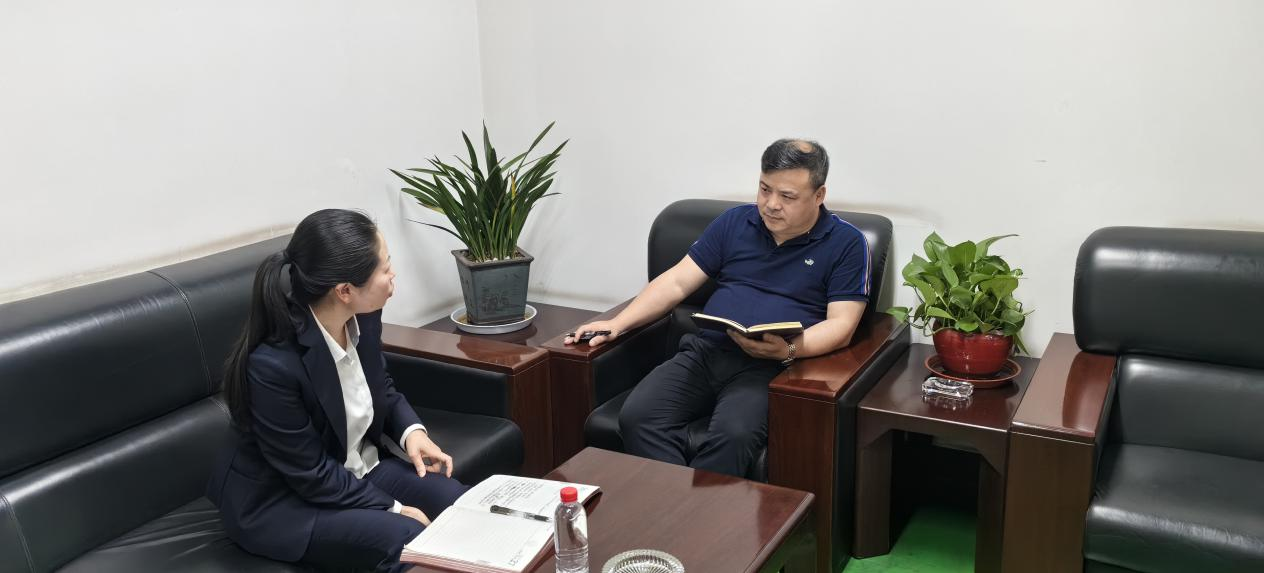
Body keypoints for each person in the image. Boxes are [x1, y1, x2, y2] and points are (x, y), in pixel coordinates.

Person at [566, 139, 869, 478]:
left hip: (771, 367)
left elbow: (842, 325)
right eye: (764, 189)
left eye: (787, 196)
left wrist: (787, 350)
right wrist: (618, 322)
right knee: (639, 415)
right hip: (707, 351)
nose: (771, 205)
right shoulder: (735, 222)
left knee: (734, 436)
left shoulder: (847, 243)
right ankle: (678, 505)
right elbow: (677, 282)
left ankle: (696, 510)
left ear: (819, 195)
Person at [208, 209, 467, 572]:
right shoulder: (272, 365)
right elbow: (311, 474)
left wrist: (413, 433)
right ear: (345, 291)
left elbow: (379, 386)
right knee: (407, 539)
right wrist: (392, 508)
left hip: (354, 470)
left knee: (461, 505)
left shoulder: (364, 315)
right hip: (284, 502)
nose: (393, 275)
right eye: (385, 268)